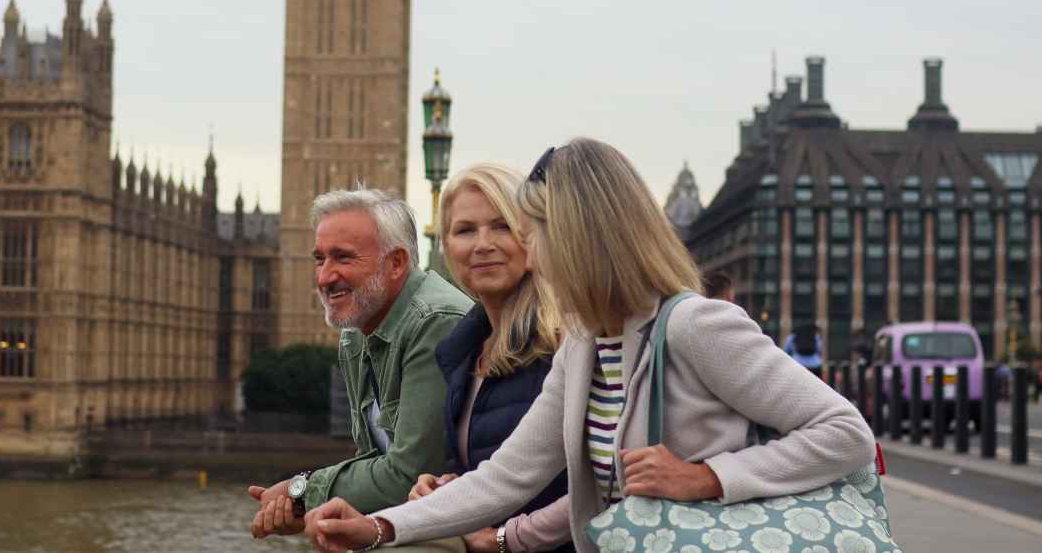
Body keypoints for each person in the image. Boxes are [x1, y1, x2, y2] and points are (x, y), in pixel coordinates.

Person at [306, 138, 876, 553]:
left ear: (579, 236)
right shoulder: (585, 346)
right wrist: (381, 528)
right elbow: (508, 477)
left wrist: (707, 477)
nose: (529, 252)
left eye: (533, 235)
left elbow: (846, 435)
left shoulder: (693, 327)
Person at [249, 187, 473, 541]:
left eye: (343, 258)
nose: (324, 276)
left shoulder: (435, 323)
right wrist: (313, 511)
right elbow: (372, 460)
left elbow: (410, 475)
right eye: (320, 259)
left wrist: (304, 492)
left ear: (396, 263)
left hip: (469, 527)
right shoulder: (356, 333)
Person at [416, 164, 573, 553]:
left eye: (501, 226)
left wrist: (501, 540)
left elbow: (604, 483)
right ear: (447, 246)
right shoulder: (463, 354)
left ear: (533, 236)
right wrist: (446, 486)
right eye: (465, 230)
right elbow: (487, 470)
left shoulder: (567, 339)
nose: (482, 244)